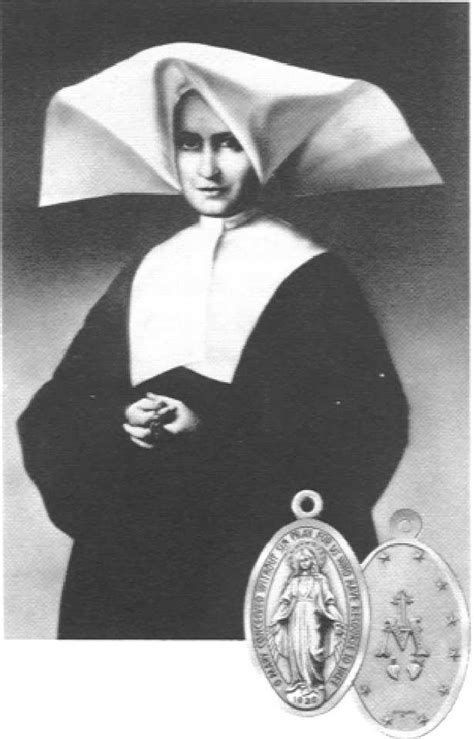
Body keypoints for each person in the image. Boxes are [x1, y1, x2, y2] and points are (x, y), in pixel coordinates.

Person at [18, 44, 439, 639]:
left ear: (262, 150)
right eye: (190, 144)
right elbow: (59, 410)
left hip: (249, 555)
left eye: (229, 144)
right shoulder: (150, 269)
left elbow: (365, 427)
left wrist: (213, 431)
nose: (208, 169)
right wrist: (121, 419)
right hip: (135, 555)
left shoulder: (312, 275)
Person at [270, 545, 344, 705]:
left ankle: (315, 683)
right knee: (297, 648)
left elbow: (329, 601)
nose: (305, 562)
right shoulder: (294, 581)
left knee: (313, 649)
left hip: (313, 616)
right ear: (297, 562)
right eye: (302, 560)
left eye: (308, 559)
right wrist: (276, 618)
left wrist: (337, 618)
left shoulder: (320, 580)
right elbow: (285, 601)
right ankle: (298, 681)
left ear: (313, 561)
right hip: (296, 616)